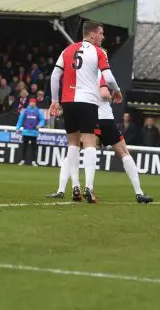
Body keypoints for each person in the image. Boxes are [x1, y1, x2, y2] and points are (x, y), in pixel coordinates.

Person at [47, 75, 152, 203]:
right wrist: (113, 94)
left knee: (73, 151)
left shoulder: (81, 75)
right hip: (105, 119)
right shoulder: (100, 73)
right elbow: (104, 93)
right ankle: (139, 193)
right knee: (124, 152)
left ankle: (62, 190)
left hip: (88, 118)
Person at [49, 21, 122, 203]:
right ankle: (89, 187)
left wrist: (54, 101)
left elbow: (55, 75)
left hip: (68, 101)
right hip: (88, 101)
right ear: (92, 35)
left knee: (73, 144)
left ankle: (75, 186)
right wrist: (117, 90)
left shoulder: (67, 50)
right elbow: (109, 77)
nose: (103, 37)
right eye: (101, 33)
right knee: (89, 142)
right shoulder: (98, 52)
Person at [16, 98, 45, 166]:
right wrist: (17, 128)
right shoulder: (25, 111)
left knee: (34, 148)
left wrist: (39, 125)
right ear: (29, 103)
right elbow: (20, 120)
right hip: (26, 132)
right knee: (24, 147)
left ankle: (33, 161)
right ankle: (22, 160)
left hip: (34, 132)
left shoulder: (38, 111)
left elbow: (42, 120)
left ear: (35, 103)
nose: (32, 103)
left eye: (33, 102)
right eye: (31, 102)